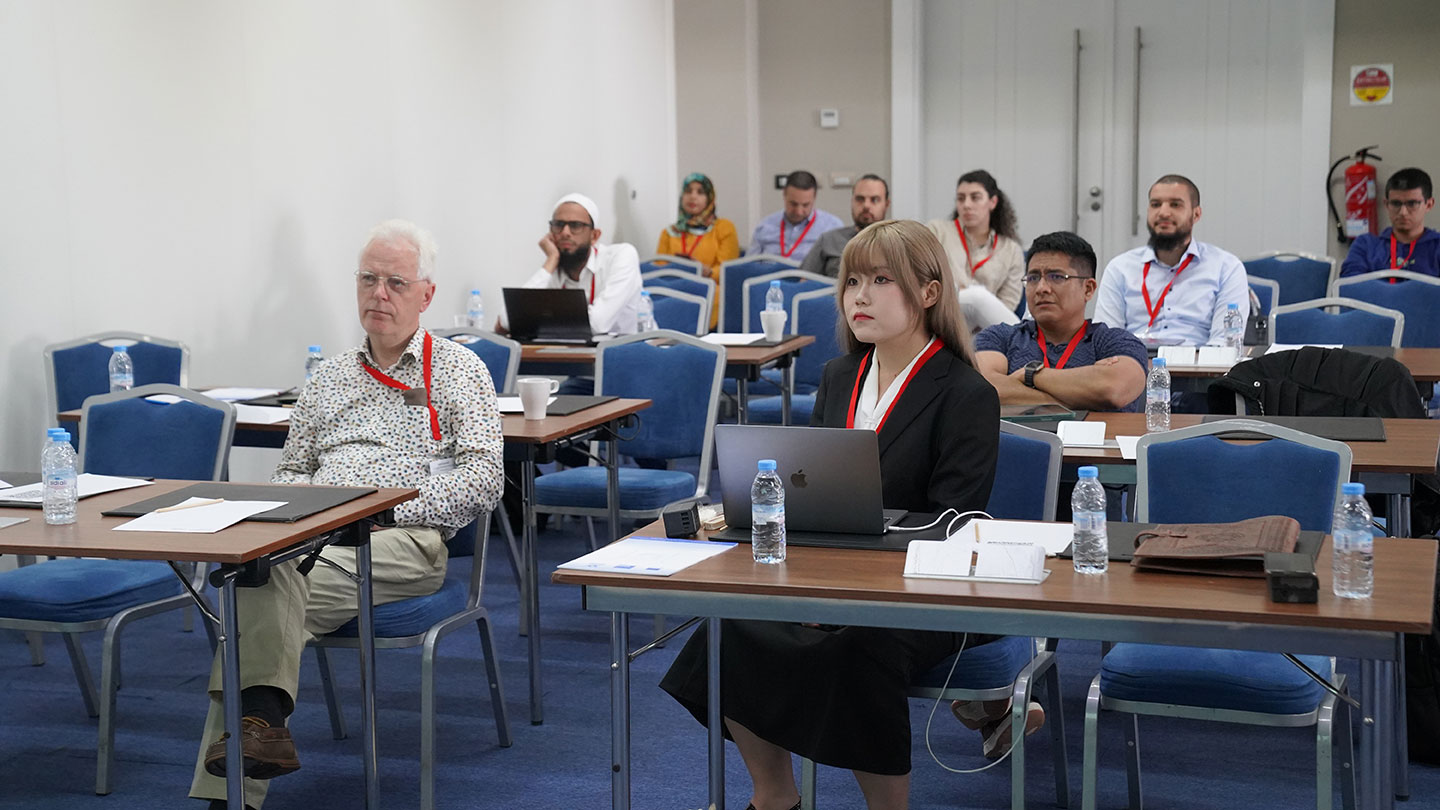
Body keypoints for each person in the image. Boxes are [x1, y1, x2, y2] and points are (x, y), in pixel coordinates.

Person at [661, 220, 1032, 810]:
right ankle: (774, 796)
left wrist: (845, 586)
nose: (858, 295)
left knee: (861, 646)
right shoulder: (839, 377)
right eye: (852, 280)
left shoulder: (965, 392)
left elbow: (954, 520)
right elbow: (811, 487)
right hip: (830, 574)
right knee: (729, 624)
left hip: (927, 589)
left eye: (881, 280)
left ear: (929, 293)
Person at [189, 220, 504, 810]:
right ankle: (261, 730)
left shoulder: (460, 372)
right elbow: (290, 473)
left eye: (395, 282)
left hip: (405, 543)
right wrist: (305, 515)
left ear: (426, 295)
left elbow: (487, 479)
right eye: (368, 279)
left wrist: (382, 506)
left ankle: (228, 793)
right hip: (314, 540)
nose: (378, 293)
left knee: (253, 589)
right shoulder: (328, 377)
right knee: (261, 575)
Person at [975, 231, 1149, 412]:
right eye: (1033, 278)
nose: (1041, 288)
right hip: (1020, 440)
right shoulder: (1000, 337)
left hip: (1096, 440)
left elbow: (1113, 389)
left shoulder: (1115, 342)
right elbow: (983, 389)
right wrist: (1077, 398)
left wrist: (1032, 375)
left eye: (1056, 277)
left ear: (1088, 289)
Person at [1093, 174, 1249, 345]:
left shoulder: (1226, 267)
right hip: (1135, 366)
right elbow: (1106, 340)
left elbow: (1224, 343)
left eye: (1175, 205)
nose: (1163, 213)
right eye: (1155, 205)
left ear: (1196, 214)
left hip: (1199, 366)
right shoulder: (1120, 268)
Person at [512, 192, 643, 336]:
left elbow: (597, 324)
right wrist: (551, 260)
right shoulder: (555, 267)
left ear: (595, 236)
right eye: (558, 225)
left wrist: (540, 322)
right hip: (567, 354)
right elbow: (508, 320)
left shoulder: (621, 255)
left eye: (575, 225)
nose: (565, 232)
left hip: (621, 353)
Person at [926, 169, 1026, 329]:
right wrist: (960, 291)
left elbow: (1006, 306)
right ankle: (1026, 344)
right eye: (961, 198)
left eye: (975, 198)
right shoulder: (937, 231)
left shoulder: (1011, 250)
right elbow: (921, 275)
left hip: (984, 330)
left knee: (981, 303)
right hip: (942, 314)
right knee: (976, 297)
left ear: (993, 202)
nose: (966, 205)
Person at [1340, 168, 1440, 278]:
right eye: (1396, 203)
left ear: (1429, 204)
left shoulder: (1436, 247)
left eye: (1412, 204)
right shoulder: (1366, 246)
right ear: (1386, 204)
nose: (1403, 212)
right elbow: (1348, 286)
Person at [800, 173, 890, 277]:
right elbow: (803, 282)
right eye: (860, 199)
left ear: (886, 204)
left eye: (874, 200)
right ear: (852, 201)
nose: (866, 205)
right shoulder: (829, 239)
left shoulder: (898, 244)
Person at [655, 172, 741, 279]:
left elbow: (728, 270)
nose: (693, 196)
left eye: (700, 192)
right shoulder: (669, 232)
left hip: (711, 288)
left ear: (709, 199)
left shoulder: (724, 228)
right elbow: (659, 269)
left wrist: (708, 272)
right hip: (674, 288)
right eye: (688, 191)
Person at [747, 170, 844, 261]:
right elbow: (749, 265)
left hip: (811, 278)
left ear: (814, 198)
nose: (799, 211)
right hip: (769, 277)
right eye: (793, 204)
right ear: (784, 195)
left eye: (805, 205)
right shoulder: (765, 226)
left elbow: (838, 267)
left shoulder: (832, 227)